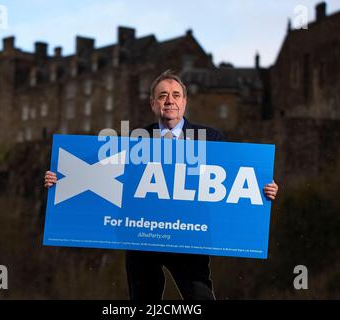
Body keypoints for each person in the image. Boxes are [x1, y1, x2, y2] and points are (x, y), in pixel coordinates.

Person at [44, 70, 279, 300]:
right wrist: (60, 179)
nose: (170, 101)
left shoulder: (212, 138)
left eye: (176, 95)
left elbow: (232, 180)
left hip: (190, 239)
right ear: (153, 104)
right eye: (162, 96)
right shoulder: (134, 139)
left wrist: (263, 189)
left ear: (185, 102)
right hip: (143, 239)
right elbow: (103, 175)